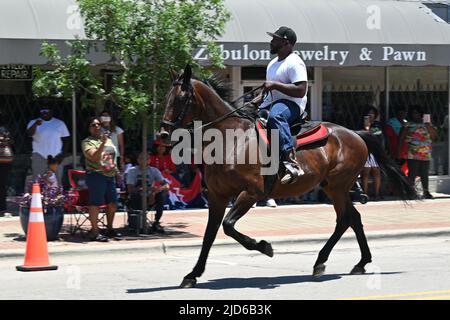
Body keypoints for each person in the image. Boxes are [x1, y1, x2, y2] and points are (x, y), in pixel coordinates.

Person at [250, 26, 308, 184]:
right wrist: (259, 99)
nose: (271, 42)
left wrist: (274, 85)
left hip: (292, 105)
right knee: (248, 119)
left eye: (275, 39)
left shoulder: (295, 62)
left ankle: (290, 161)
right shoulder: (273, 63)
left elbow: (301, 90)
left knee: (276, 115)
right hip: (273, 102)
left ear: (285, 42)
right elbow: (270, 91)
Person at [81, 117, 120, 241]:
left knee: (112, 203)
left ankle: (110, 229)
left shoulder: (108, 140)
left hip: (110, 175)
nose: (97, 126)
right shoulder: (87, 142)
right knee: (95, 204)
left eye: (99, 124)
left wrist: (117, 171)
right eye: (93, 125)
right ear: (89, 128)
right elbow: (93, 157)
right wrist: (102, 143)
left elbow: (112, 156)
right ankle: (95, 231)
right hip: (96, 175)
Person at [398, 105, 438, 199]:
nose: (415, 115)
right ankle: (411, 192)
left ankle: (426, 192)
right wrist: (399, 152)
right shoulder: (407, 125)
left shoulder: (428, 125)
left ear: (421, 114)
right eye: (413, 113)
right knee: (412, 173)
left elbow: (435, 136)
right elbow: (401, 138)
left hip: (425, 152)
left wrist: (429, 126)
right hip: (412, 152)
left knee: (424, 173)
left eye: (417, 113)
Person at [126, 152, 170, 233]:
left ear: (149, 161)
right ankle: (138, 223)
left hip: (150, 196)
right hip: (137, 196)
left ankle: (156, 222)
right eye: (141, 159)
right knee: (134, 196)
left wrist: (155, 192)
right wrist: (146, 189)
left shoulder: (154, 170)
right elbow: (130, 189)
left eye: (146, 159)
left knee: (161, 196)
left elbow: (166, 185)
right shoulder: (132, 171)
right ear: (138, 160)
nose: (143, 161)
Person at [26, 106, 70, 184]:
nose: (44, 112)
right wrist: (36, 124)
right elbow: (29, 134)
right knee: (37, 182)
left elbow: (66, 140)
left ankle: (57, 196)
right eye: (42, 110)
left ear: (51, 111)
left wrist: (62, 154)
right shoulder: (33, 122)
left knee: (57, 181)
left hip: (55, 156)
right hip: (39, 155)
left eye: (46, 110)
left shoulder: (59, 123)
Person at [360, 106, 383, 201]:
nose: (370, 115)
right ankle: (365, 194)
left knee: (376, 172)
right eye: (368, 113)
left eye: (372, 113)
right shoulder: (361, 125)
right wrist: (366, 127)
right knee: (365, 173)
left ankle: (376, 194)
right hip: (366, 151)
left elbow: (380, 136)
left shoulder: (378, 125)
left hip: (376, 151)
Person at [0, 111, 14, 215]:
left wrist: (6, 140)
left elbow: (12, 141)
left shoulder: (5, 128)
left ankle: (2, 208)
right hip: (4, 159)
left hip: (4, 159)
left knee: (3, 184)